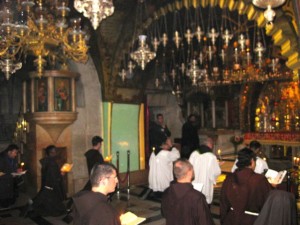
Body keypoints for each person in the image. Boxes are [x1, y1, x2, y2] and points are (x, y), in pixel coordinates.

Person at [220, 148, 272, 225]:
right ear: (252, 161)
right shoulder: (259, 180)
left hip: (232, 219)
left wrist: (224, 220)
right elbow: (267, 203)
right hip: (253, 220)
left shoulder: (229, 178)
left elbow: (223, 203)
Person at [161, 158, 215, 225]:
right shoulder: (197, 197)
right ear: (189, 172)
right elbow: (205, 221)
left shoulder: (167, 191)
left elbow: (164, 213)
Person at [32, 145, 66, 217]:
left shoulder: (47, 160)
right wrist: (61, 174)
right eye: (55, 151)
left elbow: (50, 173)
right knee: (54, 204)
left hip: (47, 184)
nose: (56, 153)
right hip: (52, 185)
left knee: (48, 200)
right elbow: (54, 176)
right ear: (51, 153)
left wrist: (58, 172)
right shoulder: (51, 163)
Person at [189, 137, 221, 205]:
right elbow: (215, 172)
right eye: (212, 144)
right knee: (204, 203)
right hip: (205, 183)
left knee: (194, 201)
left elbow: (189, 167)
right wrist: (217, 165)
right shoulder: (211, 157)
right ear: (210, 144)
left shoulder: (194, 153)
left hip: (194, 182)